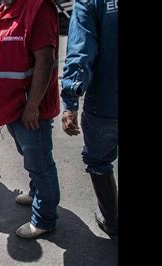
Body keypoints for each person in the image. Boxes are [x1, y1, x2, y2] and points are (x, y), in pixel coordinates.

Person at [0, 0, 60, 238]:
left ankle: (44, 219)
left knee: (40, 164)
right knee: (30, 158)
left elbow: (45, 60)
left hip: (29, 110)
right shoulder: (4, 10)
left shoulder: (37, 7)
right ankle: (37, 193)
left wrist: (33, 106)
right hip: (13, 109)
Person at [61, 0, 118, 237]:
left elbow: (81, 49)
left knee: (98, 161)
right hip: (105, 104)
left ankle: (113, 222)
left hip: (105, 105)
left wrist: (70, 101)